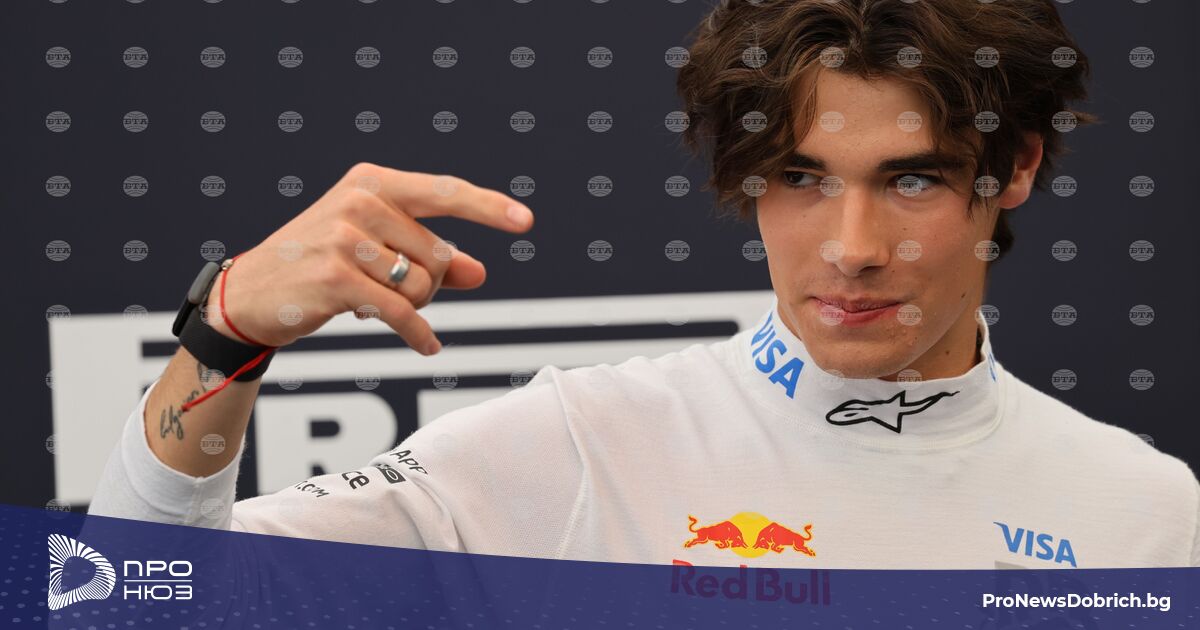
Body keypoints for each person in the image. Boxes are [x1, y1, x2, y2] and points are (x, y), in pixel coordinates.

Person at [89, 0, 1199, 569]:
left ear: (1014, 169)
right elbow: (133, 604)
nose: (853, 247)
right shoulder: (578, 447)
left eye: (912, 179)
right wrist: (223, 337)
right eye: (799, 178)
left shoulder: (1149, 513)